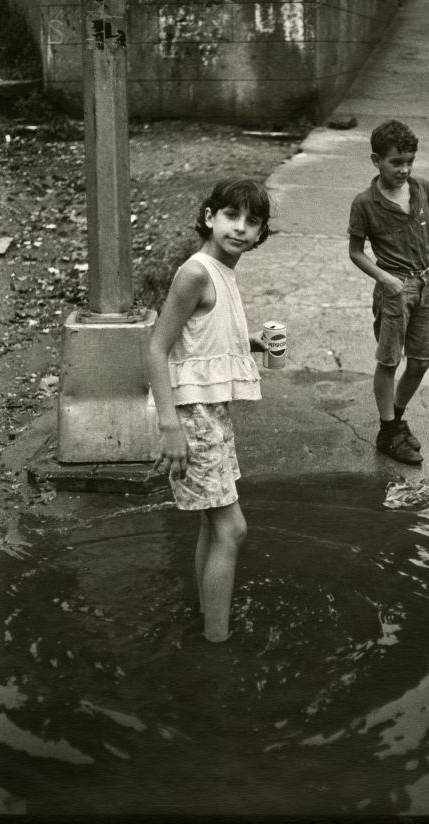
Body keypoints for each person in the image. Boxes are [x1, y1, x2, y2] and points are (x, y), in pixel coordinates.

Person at [148, 177, 271, 642]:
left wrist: (251, 342)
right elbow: (157, 348)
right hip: (190, 413)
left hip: (209, 411)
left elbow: (198, 339)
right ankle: (217, 646)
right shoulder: (196, 272)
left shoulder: (222, 271)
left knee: (213, 521)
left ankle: (206, 618)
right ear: (208, 217)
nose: (240, 228)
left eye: (252, 222)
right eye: (231, 216)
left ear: (261, 234)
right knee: (233, 529)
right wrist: (169, 427)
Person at [348, 119, 429, 465]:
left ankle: (394, 422)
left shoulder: (422, 188)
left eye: (410, 161)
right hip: (394, 289)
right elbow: (355, 252)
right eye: (396, 162)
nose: (405, 169)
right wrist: (384, 278)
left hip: (425, 284)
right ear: (376, 160)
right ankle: (389, 431)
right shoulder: (365, 203)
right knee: (389, 360)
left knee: (422, 361)